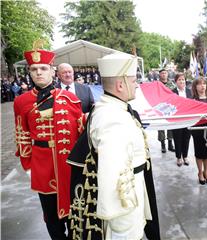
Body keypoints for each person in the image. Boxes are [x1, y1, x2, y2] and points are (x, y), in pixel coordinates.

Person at [68, 53, 157, 239]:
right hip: (124, 202)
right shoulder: (112, 118)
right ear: (120, 84)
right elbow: (112, 174)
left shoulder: (112, 108)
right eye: (133, 81)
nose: (137, 85)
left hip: (134, 187)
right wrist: (120, 216)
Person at [13, 41, 85, 239]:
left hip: (67, 163)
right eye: (34, 69)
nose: (38, 73)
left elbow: (80, 133)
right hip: (41, 165)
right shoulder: (21, 101)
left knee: (73, 211)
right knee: (50, 215)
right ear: (29, 71)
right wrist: (27, 166)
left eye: (43, 68)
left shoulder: (70, 100)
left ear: (52, 71)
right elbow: (22, 135)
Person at [191, 77, 207, 185]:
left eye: (204, 83)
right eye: (200, 84)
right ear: (195, 86)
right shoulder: (193, 100)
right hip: (198, 129)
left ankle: (206, 171)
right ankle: (200, 172)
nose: (202, 86)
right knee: (199, 152)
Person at [172, 73, 192, 167]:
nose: (181, 81)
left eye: (183, 79)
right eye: (179, 80)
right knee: (177, 138)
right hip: (176, 120)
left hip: (188, 119)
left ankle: (185, 156)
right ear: (176, 82)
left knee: (186, 138)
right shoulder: (172, 92)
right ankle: (178, 157)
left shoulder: (189, 92)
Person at [158, 68, 176, 153]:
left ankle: (170, 144)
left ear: (167, 74)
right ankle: (163, 145)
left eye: (165, 73)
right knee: (161, 126)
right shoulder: (157, 84)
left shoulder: (171, 84)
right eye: (162, 73)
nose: (164, 75)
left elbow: (175, 94)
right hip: (159, 107)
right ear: (160, 75)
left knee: (170, 125)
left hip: (169, 107)